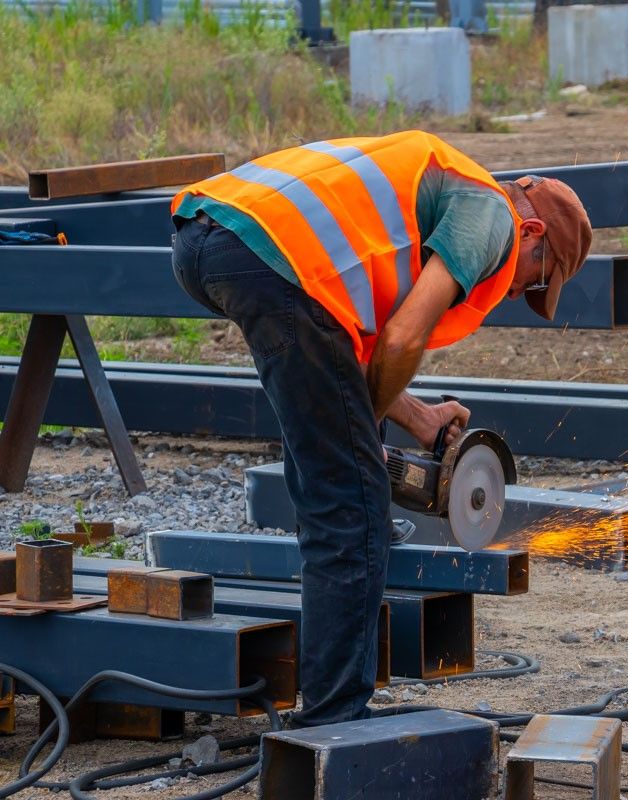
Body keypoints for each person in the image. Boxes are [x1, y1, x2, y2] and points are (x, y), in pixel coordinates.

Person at [169, 130, 592, 727]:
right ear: (532, 232)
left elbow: (355, 353)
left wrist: (417, 417)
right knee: (352, 504)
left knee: (337, 481)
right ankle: (333, 722)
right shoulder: (492, 217)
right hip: (273, 260)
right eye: (536, 277)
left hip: (208, 237)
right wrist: (359, 446)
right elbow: (401, 338)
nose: (520, 290)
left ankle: (329, 693)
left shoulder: (435, 191)